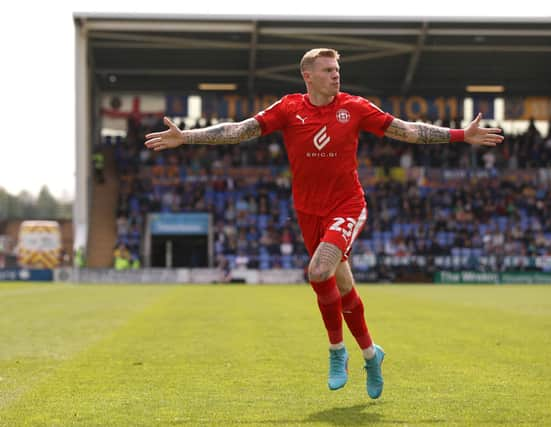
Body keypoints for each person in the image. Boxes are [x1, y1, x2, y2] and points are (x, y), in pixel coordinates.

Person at [145, 48, 503, 399]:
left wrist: (460, 135)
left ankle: (336, 352)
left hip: (347, 204)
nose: (336, 75)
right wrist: (187, 137)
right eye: (328, 70)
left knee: (319, 271)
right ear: (308, 76)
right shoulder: (289, 108)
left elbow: (407, 130)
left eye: (337, 70)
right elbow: (240, 130)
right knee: (342, 284)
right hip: (307, 211)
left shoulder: (355, 107)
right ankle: (370, 355)